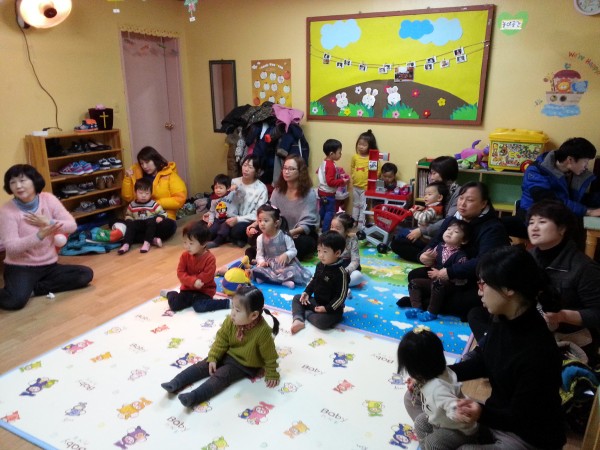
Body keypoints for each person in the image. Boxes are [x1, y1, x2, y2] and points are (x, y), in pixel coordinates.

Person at [439, 246, 565, 449]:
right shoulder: (503, 318)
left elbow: (520, 418)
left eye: (483, 284)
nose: (479, 291)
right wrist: (440, 373)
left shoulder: (538, 352)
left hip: (527, 435)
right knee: (430, 432)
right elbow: (485, 360)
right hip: (497, 418)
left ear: (508, 289)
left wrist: (479, 412)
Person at [471, 199, 600, 363]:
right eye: (531, 222)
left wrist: (562, 316)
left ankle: (492, 353)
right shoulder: (528, 257)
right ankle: (490, 351)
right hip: (532, 321)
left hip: (567, 334)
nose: (534, 227)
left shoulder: (584, 267)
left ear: (562, 228)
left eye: (542, 222)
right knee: (477, 314)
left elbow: (597, 313)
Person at [399, 182, 510, 321]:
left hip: (471, 280)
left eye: (470, 200)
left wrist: (451, 272)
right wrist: (423, 255)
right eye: (461, 198)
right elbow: (436, 240)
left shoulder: (492, 228)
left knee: (470, 302)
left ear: (483, 204)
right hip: (443, 273)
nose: (462, 204)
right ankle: (429, 301)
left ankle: (425, 303)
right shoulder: (453, 219)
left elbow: (485, 262)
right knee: (414, 275)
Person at [161, 285, 280, 408]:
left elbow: (270, 355)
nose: (233, 313)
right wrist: (213, 357)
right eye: (233, 308)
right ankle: (175, 382)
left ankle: (193, 397)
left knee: (221, 376)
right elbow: (221, 339)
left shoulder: (263, 332)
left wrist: (272, 373)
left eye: (237, 311)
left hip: (244, 364)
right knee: (204, 365)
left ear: (253, 315)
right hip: (228, 353)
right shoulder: (231, 321)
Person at [0, 164, 93, 310]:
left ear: (34, 181)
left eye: (22, 180)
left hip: (49, 265)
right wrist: (39, 235)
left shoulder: (48, 199)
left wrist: (48, 222)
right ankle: (24, 289)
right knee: (14, 302)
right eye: (12, 182)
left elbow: (71, 225)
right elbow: (12, 248)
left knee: (85, 274)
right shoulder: (7, 211)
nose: (18, 186)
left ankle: (33, 289)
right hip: (20, 266)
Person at [397, 326, 478, 449]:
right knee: (420, 422)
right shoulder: (440, 371)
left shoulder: (437, 389)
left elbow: (449, 402)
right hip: (440, 419)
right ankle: (425, 446)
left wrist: (457, 411)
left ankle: (429, 446)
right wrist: (416, 381)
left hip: (459, 429)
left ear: (417, 369)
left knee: (433, 443)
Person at [246, 155, 319, 262]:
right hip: (277, 231)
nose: (286, 172)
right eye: (284, 168)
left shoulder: (309, 193)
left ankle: (267, 254)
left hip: (298, 234)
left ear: (300, 172)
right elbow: (268, 211)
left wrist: (287, 234)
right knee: (253, 234)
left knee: (304, 244)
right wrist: (254, 224)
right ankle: (271, 254)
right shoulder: (278, 191)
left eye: (291, 169)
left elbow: (309, 223)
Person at [391, 156, 460, 262]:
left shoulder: (456, 193)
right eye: (430, 173)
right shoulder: (441, 189)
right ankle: (427, 256)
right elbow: (439, 209)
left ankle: (430, 258)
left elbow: (448, 220)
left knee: (398, 241)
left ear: (445, 173)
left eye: (434, 173)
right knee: (398, 239)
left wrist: (422, 230)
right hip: (431, 232)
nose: (431, 177)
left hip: (441, 236)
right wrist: (424, 208)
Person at [406, 219, 470, 322]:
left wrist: (443, 274)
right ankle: (416, 308)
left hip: (451, 285)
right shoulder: (439, 247)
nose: (450, 232)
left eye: (456, 232)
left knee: (438, 283)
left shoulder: (461, 256)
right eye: (448, 229)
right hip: (434, 281)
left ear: (463, 241)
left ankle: (432, 312)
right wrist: (427, 258)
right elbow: (431, 261)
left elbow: (461, 278)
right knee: (414, 283)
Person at [161, 220, 230, 313]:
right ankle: (170, 293)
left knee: (199, 307)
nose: (187, 246)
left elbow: (208, 275)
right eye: (185, 242)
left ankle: (226, 303)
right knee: (175, 305)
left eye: (191, 243)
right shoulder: (184, 256)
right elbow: (180, 273)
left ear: (203, 244)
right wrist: (193, 281)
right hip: (187, 289)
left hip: (204, 291)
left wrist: (198, 281)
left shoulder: (210, 258)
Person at [122, 146, 187, 243]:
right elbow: (128, 197)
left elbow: (179, 199)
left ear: (155, 160)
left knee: (168, 227)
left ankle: (133, 236)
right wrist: (127, 179)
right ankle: (150, 238)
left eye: (147, 162)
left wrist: (155, 203)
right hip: (139, 218)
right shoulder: (138, 176)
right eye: (142, 163)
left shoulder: (170, 175)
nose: (144, 166)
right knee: (116, 222)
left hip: (162, 217)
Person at [291, 231, 349, 334]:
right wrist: (307, 292)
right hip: (317, 302)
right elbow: (314, 280)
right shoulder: (320, 265)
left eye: (325, 252)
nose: (321, 255)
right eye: (319, 251)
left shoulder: (341, 273)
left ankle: (306, 314)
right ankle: (298, 319)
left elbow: (341, 297)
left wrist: (326, 309)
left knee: (322, 322)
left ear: (337, 253)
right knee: (297, 298)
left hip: (331, 310)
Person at [251, 204, 312, 289]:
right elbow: (259, 255)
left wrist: (286, 254)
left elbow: (293, 250)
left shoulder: (284, 236)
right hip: (270, 265)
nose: (262, 224)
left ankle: (272, 280)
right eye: (260, 220)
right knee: (256, 270)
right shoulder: (260, 238)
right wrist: (262, 262)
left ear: (276, 223)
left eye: (266, 221)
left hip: (285, 265)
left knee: (293, 271)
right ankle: (282, 281)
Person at [118, 178, 167, 254]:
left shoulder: (153, 204)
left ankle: (147, 243)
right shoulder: (132, 205)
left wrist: (160, 217)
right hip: (138, 225)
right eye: (140, 193)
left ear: (151, 194)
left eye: (147, 193)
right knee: (131, 225)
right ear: (135, 192)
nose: (143, 196)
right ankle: (126, 244)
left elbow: (163, 213)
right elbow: (128, 215)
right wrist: (129, 220)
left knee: (151, 221)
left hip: (150, 226)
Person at [228, 154, 269, 247]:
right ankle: (233, 238)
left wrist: (238, 219)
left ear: (257, 171)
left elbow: (258, 214)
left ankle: (236, 237)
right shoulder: (235, 182)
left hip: (248, 220)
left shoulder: (261, 188)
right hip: (231, 215)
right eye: (244, 165)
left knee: (237, 230)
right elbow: (228, 201)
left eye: (250, 167)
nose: (246, 169)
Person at [317, 139, 349, 232]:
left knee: (323, 209)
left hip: (321, 192)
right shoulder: (330, 166)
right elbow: (330, 182)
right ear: (331, 154)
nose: (340, 154)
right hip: (328, 194)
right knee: (330, 212)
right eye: (339, 152)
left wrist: (338, 176)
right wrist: (342, 181)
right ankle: (326, 231)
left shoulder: (324, 162)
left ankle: (318, 224)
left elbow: (320, 172)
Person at [205, 173, 244, 249]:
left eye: (221, 188)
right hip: (218, 219)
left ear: (227, 188)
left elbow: (242, 194)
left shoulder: (232, 195)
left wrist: (237, 187)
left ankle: (217, 242)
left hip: (229, 219)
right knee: (211, 230)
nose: (218, 190)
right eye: (216, 188)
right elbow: (212, 212)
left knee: (224, 228)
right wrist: (210, 220)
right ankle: (210, 240)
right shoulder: (214, 199)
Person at [351, 129, 378, 231]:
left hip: (365, 188)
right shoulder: (355, 157)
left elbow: (377, 170)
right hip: (355, 186)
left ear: (370, 146)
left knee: (363, 206)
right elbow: (352, 167)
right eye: (359, 144)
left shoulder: (372, 158)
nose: (361, 147)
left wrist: (373, 180)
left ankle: (361, 223)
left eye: (364, 145)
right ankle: (353, 221)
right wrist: (353, 175)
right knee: (355, 205)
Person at [330, 212, 365, 287]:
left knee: (358, 276)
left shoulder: (352, 240)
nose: (333, 230)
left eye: (337, 228)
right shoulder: (328, 239)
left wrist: (346, 272)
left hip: (347, 268)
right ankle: (337, 285)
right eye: (332, 227)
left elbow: (355, 260)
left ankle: (338, 285)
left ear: (347, 231)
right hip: (333, 267)